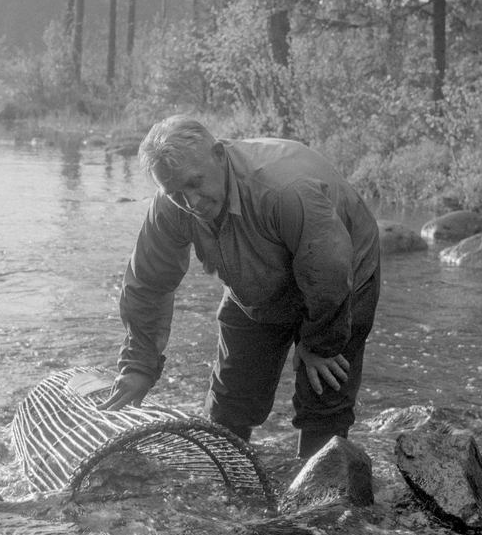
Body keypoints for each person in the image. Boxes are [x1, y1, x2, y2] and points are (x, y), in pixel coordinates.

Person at [103, 116, 380, 460]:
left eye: (195, 183)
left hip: (343, 271)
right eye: (176, 193)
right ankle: (229, 496)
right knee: (229, 404)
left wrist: (319, 344)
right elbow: (148, 284)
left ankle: (319, 504)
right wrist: (139, 366)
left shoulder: (285, 189)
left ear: (219, 155)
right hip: (255, 281)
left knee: (323, 394)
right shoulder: (169, 207)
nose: (192, 203)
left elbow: (330, 272)